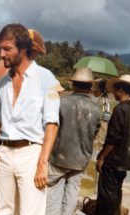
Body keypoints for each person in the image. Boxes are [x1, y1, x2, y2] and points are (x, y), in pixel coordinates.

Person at [0, 23, 60, 215]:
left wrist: (43, 163)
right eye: (0, 49)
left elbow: (52, 124)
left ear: (23, 49)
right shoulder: (3, 82)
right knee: (4, 210)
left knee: (30, 212)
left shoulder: (46, 79)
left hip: (31, 153)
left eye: (7, 49)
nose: (1, 54)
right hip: (5, 153)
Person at [46, 68, 101, 215]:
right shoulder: (96, 108)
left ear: (73, 85)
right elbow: (94, 132)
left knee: (53, 192)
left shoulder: (61, 102)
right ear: (90, 87)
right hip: (81, 158)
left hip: (59, 156)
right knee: (72, 191)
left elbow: (51, 128)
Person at [96, 74, 130, 215]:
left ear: (121, 90)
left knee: (106, 196)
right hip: (125, 162)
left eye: (115, 90)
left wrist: (101, 157)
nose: (114, 93)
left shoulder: (119, 110)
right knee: (116, 192)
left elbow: (112, 139)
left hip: (112, 161)